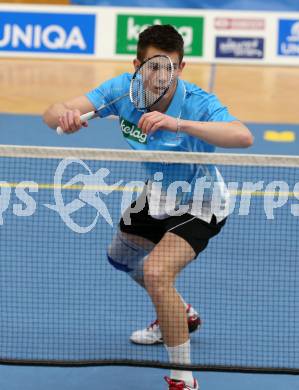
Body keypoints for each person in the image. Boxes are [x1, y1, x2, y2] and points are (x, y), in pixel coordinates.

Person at [43, 24, 253, 390]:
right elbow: (52, 111)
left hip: (202, 201)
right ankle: (180, 313)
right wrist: (64, 116)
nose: (159, 77)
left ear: (181, 68)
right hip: (158, 196)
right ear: (136, 65)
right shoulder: (120, 92)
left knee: (156, 274)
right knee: (121, 258)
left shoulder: (198, 103)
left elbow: (242, 135)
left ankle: (183, 379)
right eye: (152, 67)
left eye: (169, 67)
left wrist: (179, 123)